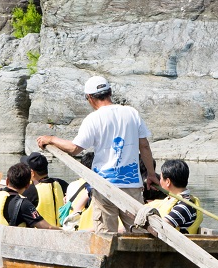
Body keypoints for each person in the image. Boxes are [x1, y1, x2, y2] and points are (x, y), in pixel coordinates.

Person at [36, 76, 158, 233]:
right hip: (132, 186)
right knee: (138, 232)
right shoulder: (132, 113)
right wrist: (151, 174)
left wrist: (51, 139)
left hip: (104, 187)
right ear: (110, 92)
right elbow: (145, 146)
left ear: (90, 98)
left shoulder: (93, 119)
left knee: (106, 236)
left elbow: (74, 148)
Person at [0, 162, 58, 229]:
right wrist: (64, 231)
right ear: (28, 185)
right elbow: (47, 227)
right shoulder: (24, 204)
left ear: (7, 181)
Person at [141, 159, 203, 234]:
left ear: (167, 182)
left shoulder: (184, 205)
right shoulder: (170, 200)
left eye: (160, 178)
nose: (159, 182)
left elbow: (161, 226)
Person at [19, 152, 69, 227]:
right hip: (60, 230)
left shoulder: (31, 190)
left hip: (41, 234)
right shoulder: (62, 184)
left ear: (32, 172)